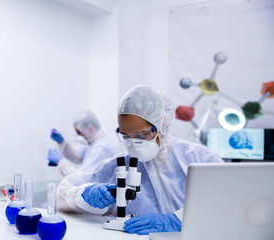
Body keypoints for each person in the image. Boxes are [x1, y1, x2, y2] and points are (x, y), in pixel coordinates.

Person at [56, 85, 224, 235]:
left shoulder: (200, 158)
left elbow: (228, 201)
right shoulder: (118, 164)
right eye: (126, 136)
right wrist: (83, 195)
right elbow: (62, 195)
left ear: (161, 125)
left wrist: (179, 219)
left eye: (142, 135)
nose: (134, 144)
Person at [47, 110, 118, 176]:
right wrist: (61, 142)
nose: (78, 135)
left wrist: (61, 162)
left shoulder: (102, 148)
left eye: (79, 132)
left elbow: (81, 178)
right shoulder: (94, 143)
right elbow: (78, 156)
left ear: (90, 128)